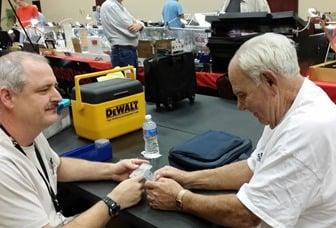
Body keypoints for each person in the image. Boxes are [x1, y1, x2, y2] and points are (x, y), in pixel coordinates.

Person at [145, 33, 336, 227]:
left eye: (243, 95)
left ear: (269, 80)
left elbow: (248, 215)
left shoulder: (307, 129)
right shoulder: (292, 101)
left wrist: (179, 198)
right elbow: (255, 166)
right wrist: (188, 179)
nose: (240, 106)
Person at [0, 51, 146, 227]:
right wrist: (114, 201)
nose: (58, 97)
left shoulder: (27, 129)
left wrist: (113, 170)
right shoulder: (3, 167)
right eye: (44, 90)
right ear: (7, 97)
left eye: (54, 86)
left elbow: (56, 166)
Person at [100, 0, 144, 69]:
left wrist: (140, 24)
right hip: (123, 51)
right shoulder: (111, 5)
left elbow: (135, 21)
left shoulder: (117, 5)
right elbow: (131, 28)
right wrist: (140, 26)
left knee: (131, 79)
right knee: (128, 79)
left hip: (125, 50)